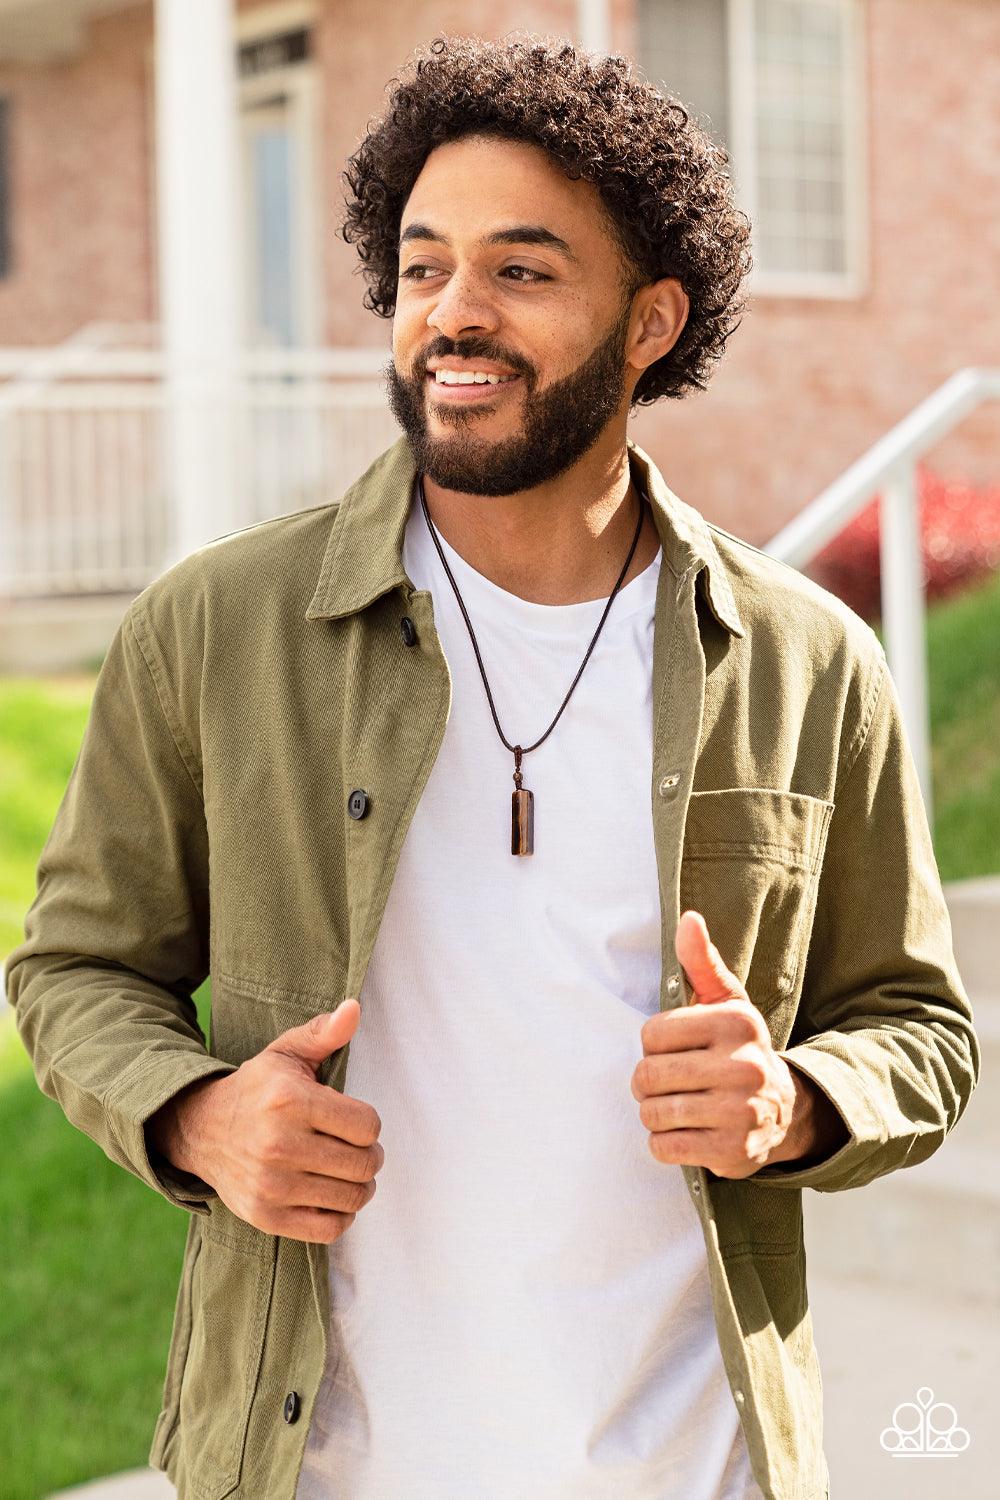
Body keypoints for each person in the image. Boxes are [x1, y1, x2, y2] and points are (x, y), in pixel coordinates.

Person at [5, 33, 978, 1500]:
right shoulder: (218, 627)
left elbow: (920, 1026)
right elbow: (73, 969)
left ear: (651, 323)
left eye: (522, 271)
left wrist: (797, 1101)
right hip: (323, 1465)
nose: (453, 316)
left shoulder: (808, 664)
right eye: (422, 268)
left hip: (696, 1468)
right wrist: (198, 1116)